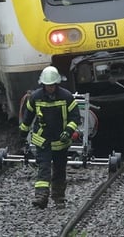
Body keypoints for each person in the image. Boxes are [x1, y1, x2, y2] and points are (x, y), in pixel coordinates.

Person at [19, 66, 80, 208]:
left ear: (56, 84)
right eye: (47, 85)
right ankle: (41, 196)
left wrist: (68, 132)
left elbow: (75, 117)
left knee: (59, 169)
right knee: (44, 168)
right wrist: (23, 133)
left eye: (52, 85)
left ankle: (59, 197)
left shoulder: (67, 97)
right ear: (43, 85)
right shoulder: (35, 97)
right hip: (43, 140)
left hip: (61, 141)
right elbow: (27, 118)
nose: (50, 88)